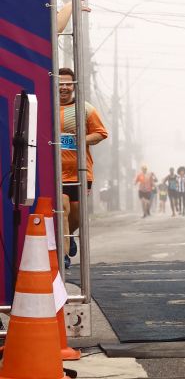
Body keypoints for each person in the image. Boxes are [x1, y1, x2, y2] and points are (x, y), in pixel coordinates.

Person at [59, 67, 108, 268]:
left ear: (74, 85)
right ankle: (63, 256)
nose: (63, 87)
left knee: (76, 215)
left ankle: (69, 236)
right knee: (62, 209)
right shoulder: (47, 106)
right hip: (56, 172)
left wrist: (81, 139)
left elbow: (101, 133)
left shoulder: (85, 109)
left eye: (68, 83)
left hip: (80, 171)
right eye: (60, 83)